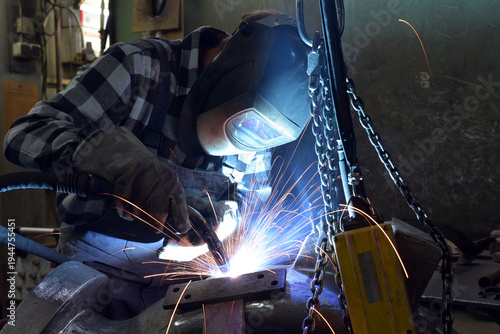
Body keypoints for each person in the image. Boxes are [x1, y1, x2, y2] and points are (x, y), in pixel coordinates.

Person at [3, 10, 310, 319]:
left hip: (181, 295)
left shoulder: (259, 129)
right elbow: (24, 134)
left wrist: (228, 221)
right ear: (233, 69)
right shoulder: (139, 67)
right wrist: (105, 156)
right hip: (92, 280)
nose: (241, 140)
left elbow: (251, 209)